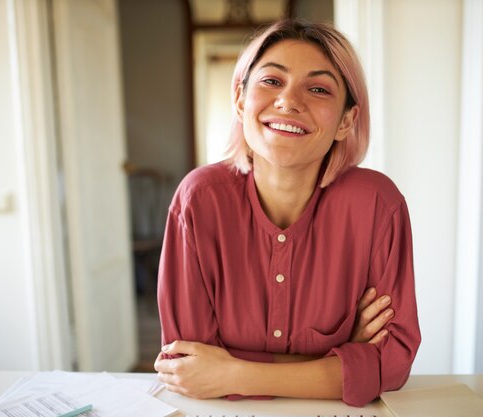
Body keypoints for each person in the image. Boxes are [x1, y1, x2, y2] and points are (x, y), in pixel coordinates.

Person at [154, 19, 420, 407]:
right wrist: (340, 359)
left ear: (346, 120)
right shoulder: (198, 200)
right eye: (271, 81)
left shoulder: (378, 205)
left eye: (318, 89)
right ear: (240, 99)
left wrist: (231, 371)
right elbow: (186, 365)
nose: (288, 101)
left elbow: (392, 364)